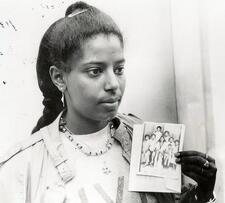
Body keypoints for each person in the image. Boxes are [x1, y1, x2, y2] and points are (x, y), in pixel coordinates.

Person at [0, 1, 217, 203]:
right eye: (95, 71)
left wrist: (203, 194)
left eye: (119, 69)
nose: (113, 84)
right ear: (59, 78)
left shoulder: (148, 143)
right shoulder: (21, 168)